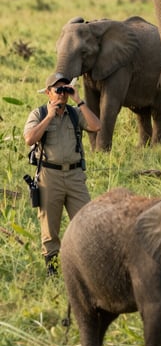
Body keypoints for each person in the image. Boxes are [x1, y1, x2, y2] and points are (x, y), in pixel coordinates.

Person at [23, 72, 101, 276]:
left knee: (85, 222)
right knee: (50, 229)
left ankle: (86, 269)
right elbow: (30, 139)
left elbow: (97, 126)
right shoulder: (38, 114)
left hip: (75, 175)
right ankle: (53, 272)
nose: (62, 94)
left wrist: (79, 100)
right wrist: (49, 116)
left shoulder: (75, 113)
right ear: (48, 93)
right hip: (50, 176)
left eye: (66, 89)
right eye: (58, 90)